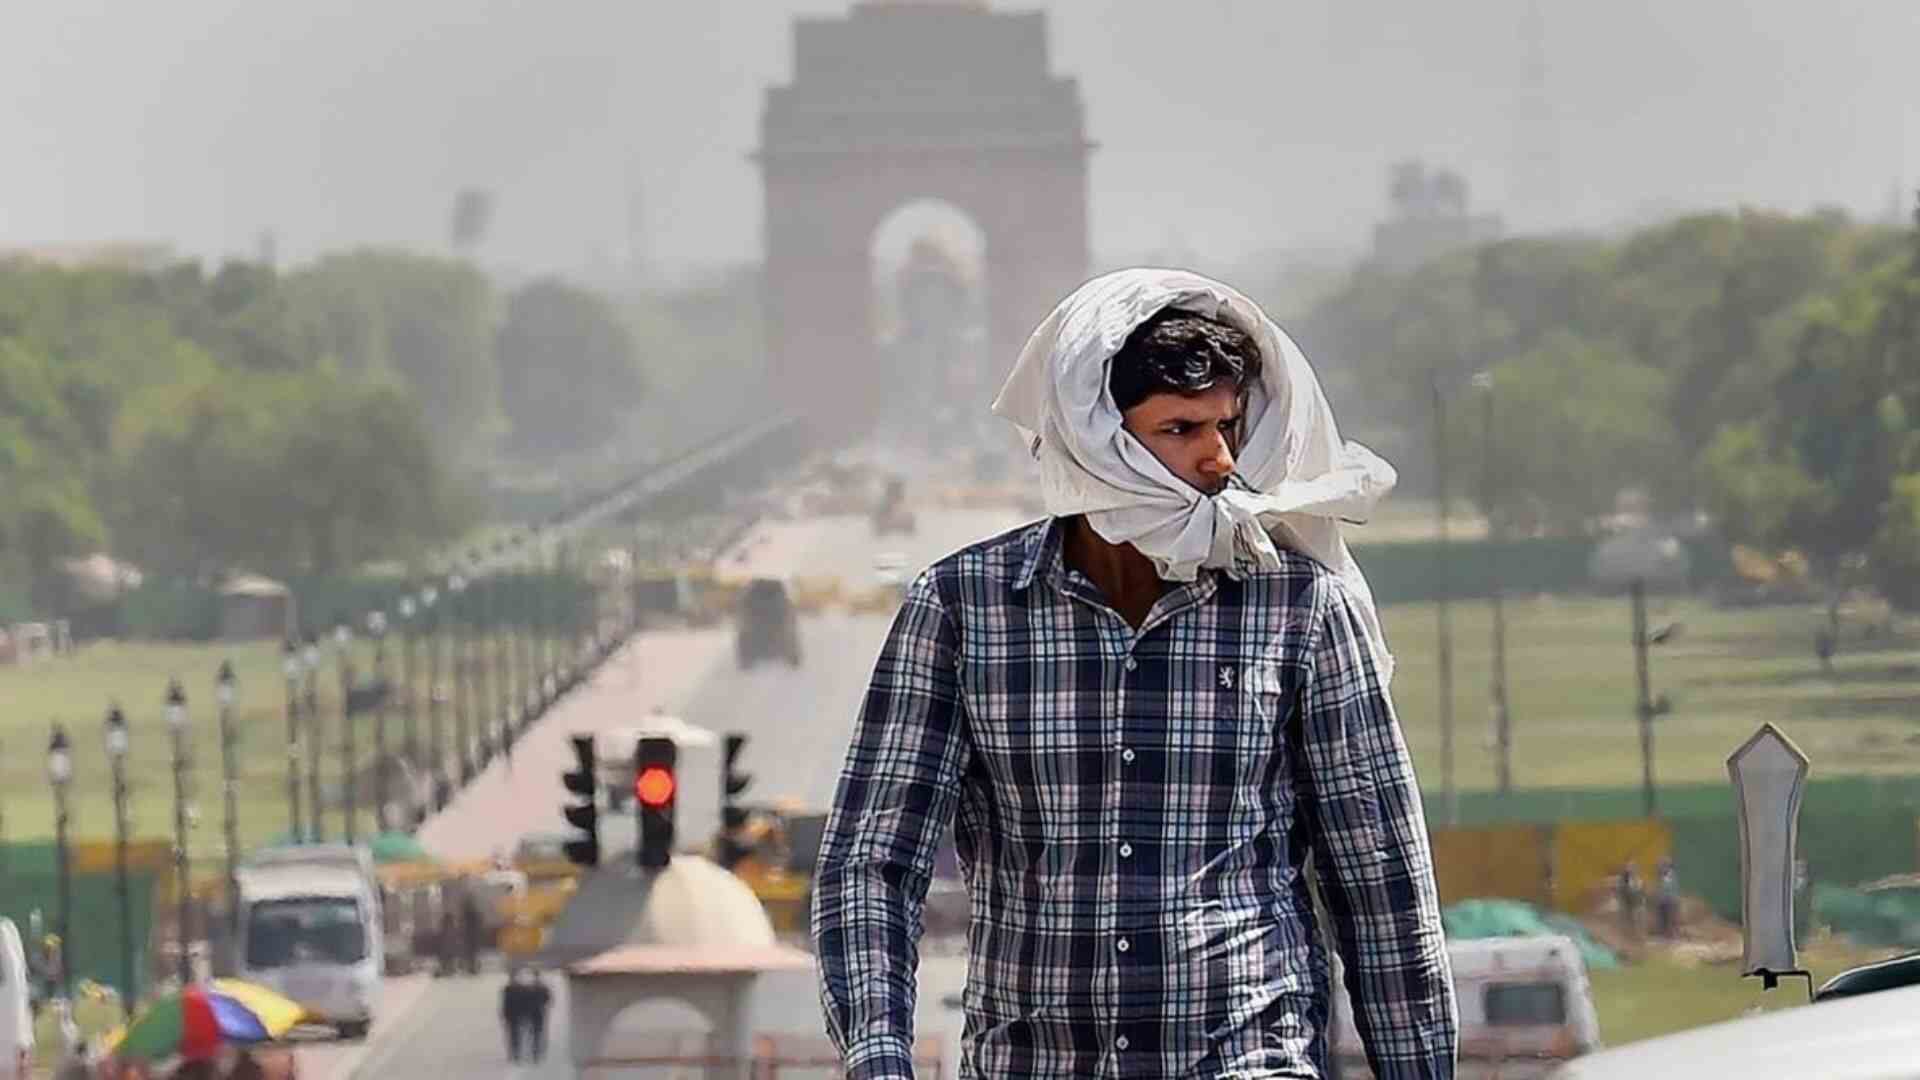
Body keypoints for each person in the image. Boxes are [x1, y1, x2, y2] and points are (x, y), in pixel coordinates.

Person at [812, 269, 1458, 1079]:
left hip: (1249, 1056)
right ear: (1097, 439)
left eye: (1227, 425)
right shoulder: (964, 609)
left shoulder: (1299, 610)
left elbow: (1379, 880)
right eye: (1181, 429)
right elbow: (874, 862)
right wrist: (878, 1058)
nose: (1218, 460)